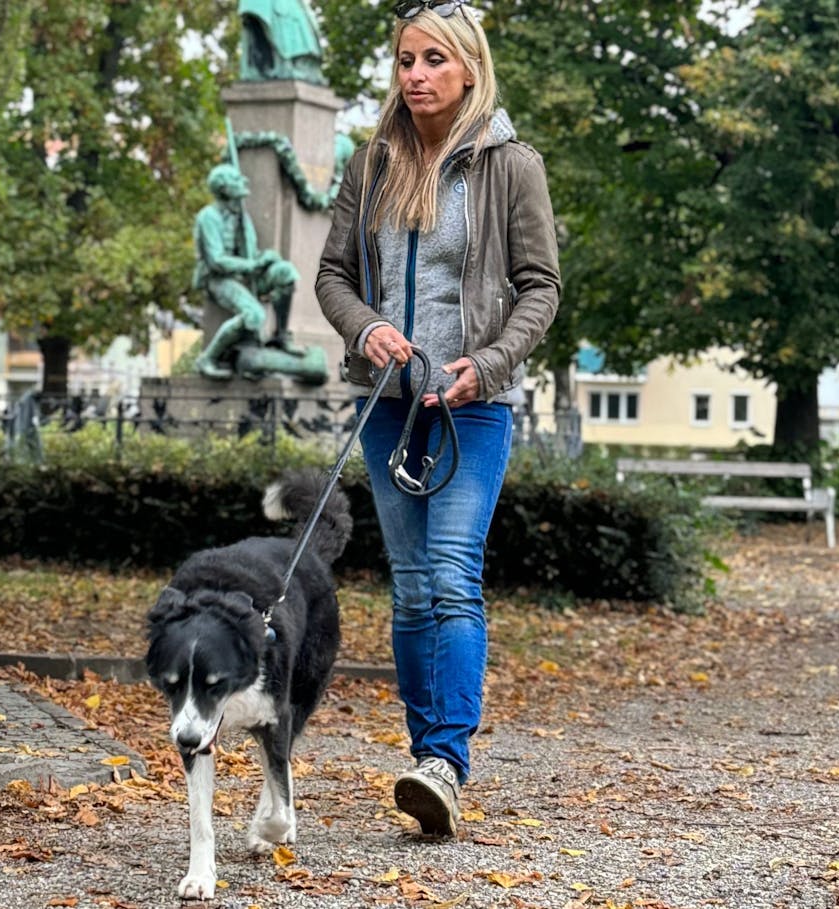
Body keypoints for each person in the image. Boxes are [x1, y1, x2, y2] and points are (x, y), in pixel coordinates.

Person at [315, 0, 560, 838]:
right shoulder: (371, 164)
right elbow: (334, 277)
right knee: (413, 588)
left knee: (453, 575)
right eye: (405, 60)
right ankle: (427, 761)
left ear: (468, 69)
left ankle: (445, 759)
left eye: (433, 60)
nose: (415, 74)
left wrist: (487, 363)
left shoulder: (511, 164)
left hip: (472, 408)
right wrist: (366, 327)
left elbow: (541, 287)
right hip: (388, 408)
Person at [192, 164, 300, 379]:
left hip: (247, 275)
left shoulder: (241, 215)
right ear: (224, 189)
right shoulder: (208, 217)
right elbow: (217, 261)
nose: (244, 182)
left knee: (286, 273)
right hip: (220, 279)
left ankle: (279, 336)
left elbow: (250, 253)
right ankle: (208, 358)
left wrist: (265, 259)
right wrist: (252, 266)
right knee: (254, 315)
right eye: (236, 180)